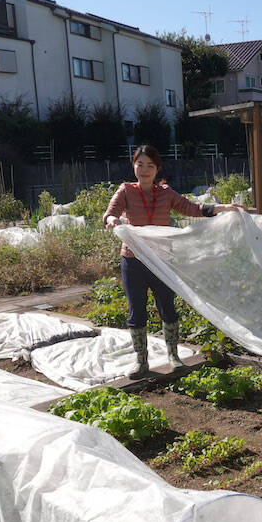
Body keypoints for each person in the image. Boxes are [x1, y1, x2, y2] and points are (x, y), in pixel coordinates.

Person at [104, 145, 244, 379]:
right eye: (140, 164)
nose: (145, 169)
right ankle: (141, 362)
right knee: (136, 311)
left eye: (150, 165)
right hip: (133, 260)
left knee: (167, 307)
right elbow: (111, 212)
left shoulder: (166, 193)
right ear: (134, 166)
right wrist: (112, 220)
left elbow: (194, 209)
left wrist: (225, 208)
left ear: (157, 168)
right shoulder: (126, 191)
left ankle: (173, 356)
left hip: (162, 261)